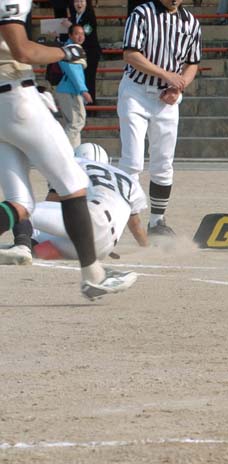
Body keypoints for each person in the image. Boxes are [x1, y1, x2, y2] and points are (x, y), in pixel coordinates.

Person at [0, 0, 137, 299]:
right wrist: (65, 52)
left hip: (5, 105)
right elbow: (22, 50)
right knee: (73, 185)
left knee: (20, 203)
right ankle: (93, 275)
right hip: (16, 98)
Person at [118, 0, 202, 237]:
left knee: (164, 162)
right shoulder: (142, 14)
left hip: (167, 97)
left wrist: (179, 86)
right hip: (136, 92)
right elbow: (130, 54)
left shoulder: (191, 23)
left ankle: (157, 221)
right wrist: (166, 74)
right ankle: (124, 217)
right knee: (132, 161)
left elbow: (192, 63)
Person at [0, 143, 149, 265]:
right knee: (39, 243)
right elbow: (136, 225)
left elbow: (52, 201)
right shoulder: (130, 180)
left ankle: (22, 246)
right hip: (103, 248)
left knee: (23, 209)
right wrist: (146, 248)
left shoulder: (75, 164)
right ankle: (32, 248)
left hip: (90, 220)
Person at [54, 24, 92, 148]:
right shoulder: (72, 51)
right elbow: (74, 72)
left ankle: (74, 153)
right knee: (77, 122)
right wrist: (83, 90)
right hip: (70, 90)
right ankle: (61, 149)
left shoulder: (69, 49)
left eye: (82, 34)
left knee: (72, 123)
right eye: (76, 34)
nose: (80, 36)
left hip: (65, 89)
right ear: (70, 35)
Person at [69, 0, 100, 104]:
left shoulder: (89, 16)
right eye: (76, 1)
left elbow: (87, 32)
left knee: (89, 80)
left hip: (90, 53)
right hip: (79, 53)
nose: (79, 4)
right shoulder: (74, 16)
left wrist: (71, 27)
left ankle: (91, 106)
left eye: (82, 1)